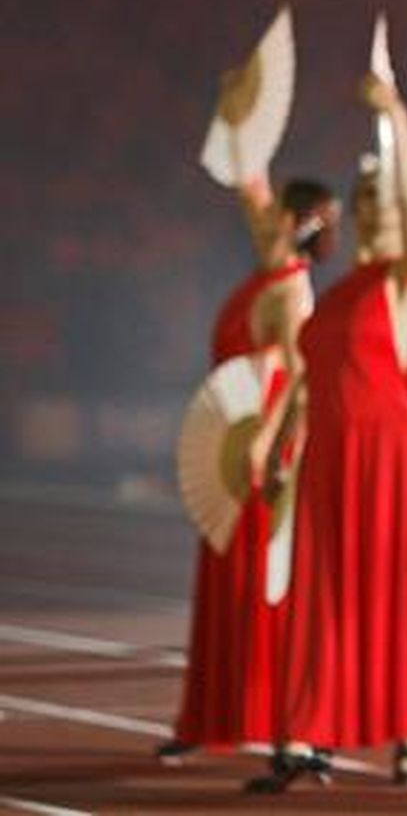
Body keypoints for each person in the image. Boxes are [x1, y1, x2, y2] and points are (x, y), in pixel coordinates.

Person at [248, 75, 407, 791]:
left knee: (399, 596)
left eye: (380, 200)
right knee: (322, 596)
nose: (371, 211)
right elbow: (308, 377)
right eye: (361, 201)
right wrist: (282, 442)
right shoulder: (331, 291)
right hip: (332, 456)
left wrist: (394, 115)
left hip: (394, 455)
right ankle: (309, 734)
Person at [161, 63, 340, 762]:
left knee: (259, 594)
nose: (261, 214)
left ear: (295, 226)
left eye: (276, 213)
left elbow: (301, 377)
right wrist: (239, 110)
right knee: (223, 585)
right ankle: (213, 716)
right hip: (235, 442)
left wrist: (266, 445)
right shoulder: (269, 272)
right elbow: (248, 179)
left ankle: (274, 719)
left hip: (263, 448)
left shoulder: (292, 293)